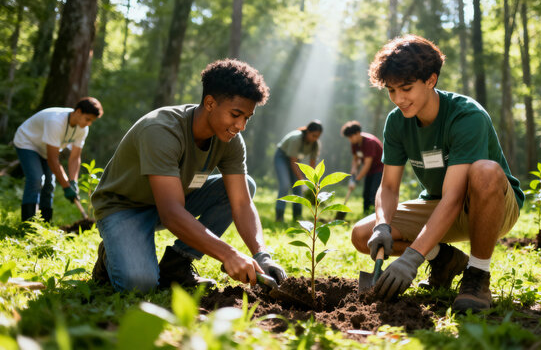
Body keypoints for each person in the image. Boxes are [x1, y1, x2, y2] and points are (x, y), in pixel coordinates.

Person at [351, 34, 524, 312]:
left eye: (406, 88)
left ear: (431, 80)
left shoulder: (466, 116)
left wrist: (412, 258)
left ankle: (477, 275)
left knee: (485, 171)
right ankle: (443, 258)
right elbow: (390, 188)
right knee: (362, 234)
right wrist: (383, 225)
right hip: (439, 205)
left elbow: (454, 198)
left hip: (491, 206)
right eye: (391, 90)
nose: (399, 99)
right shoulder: (396, 122)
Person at [90, 59, 287, 292]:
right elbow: (172, 214)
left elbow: (242, 203)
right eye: (236, 114)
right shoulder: (160, 130)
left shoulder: (230, 140)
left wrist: (261, 254)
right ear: (210, 103)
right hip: (124, 208)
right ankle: (110, 255)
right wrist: (229, 254)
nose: (241, 125)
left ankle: (176, 265)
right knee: (139, 285)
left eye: (247, 117)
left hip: (172, 202)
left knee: (245, 186)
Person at [13, 97, 103, 222]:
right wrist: (66, 187)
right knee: (36, 179)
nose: (89, 124)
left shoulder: (82, 129)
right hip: (28, 142)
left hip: (46, 147)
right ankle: (29, 224)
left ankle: (44, 223)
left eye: (91, 121)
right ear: (78, 112)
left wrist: (73, 182)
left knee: (50, 184)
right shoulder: (55, 122)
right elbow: (52, 160)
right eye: (87, 119)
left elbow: (75, 157)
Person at [274, 120, 322, 222]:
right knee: (285, 185)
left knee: (298, 188)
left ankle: (297, 217)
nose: (315, 139)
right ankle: (279, 216)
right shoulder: (296, 139)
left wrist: (311, 184)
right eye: (313, 135)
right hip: (282, 157)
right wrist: (303, 181)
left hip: (295, 161)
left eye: (317, 137)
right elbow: (293, 162)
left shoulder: (315, 144)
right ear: (308, 132)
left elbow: (312, 165)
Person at [341, 120, 383, 214]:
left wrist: (356, 180)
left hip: (380, 169)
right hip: (370, 170)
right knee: (366, 194)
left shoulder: (369, 142)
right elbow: (356, 160)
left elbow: (367, 164)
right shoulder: (355, 143)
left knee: (373, 193)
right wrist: (353, 174)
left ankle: (374, 215)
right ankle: (365, 214)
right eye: (348, 137)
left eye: (351, 136)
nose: (350, 139)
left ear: (358, 133)